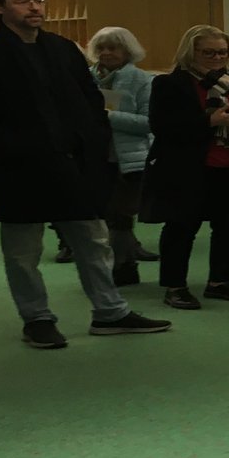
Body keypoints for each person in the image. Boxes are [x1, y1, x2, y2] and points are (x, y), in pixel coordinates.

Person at [0, 0, 170, 349]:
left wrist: (92, 142)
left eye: (38, 0)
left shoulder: (62, 48)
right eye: (23, 1)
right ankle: (37, 318)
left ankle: (110, 312)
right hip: (20, 168)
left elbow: (91, 101)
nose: (35, 7)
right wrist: (13, 147)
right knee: (23, 251)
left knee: (93, 240)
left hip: (75, 164)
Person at [143, 25, 229, 310]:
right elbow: (162, 128)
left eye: (222, 52)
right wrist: (209, 122)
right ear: (191, 53)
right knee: (181, 228)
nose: (217, 58)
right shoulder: (170, 84)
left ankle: (220, 282)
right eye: (209, 53)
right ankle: (175, 286)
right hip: (188, 169)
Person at [80, 27, 156, 286]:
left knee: (120, 216)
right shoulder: (86, 79)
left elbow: (149, 123)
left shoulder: (142, 80)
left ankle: (123, 267)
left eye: (113, 48)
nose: (106, 53)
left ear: (127, 51)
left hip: (129, 161)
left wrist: (108, 117)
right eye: (101, 48)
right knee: (101, 217)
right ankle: (120, 264)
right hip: (94, 159)